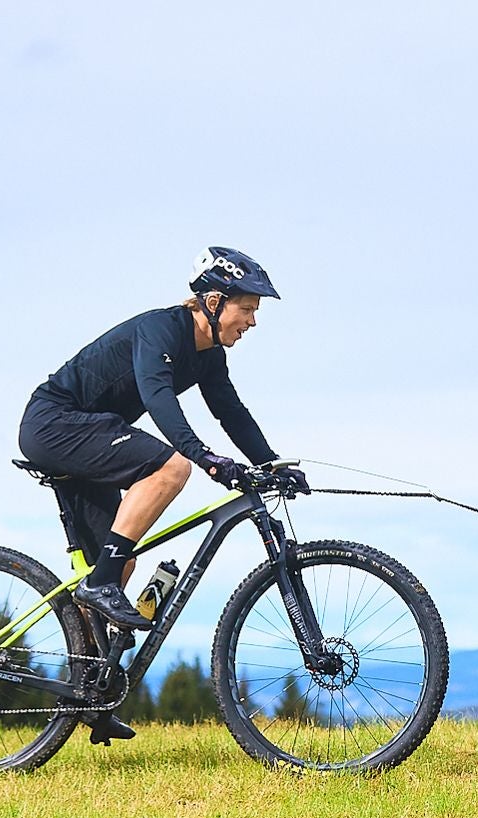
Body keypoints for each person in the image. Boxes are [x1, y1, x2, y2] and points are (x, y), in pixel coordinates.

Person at [18, 246, 310, 632]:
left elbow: (231, 413)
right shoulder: (160, 331)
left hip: (89, 434)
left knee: (120, 562)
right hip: (55, 423)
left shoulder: (209, 355)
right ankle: (100, 582)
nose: (253, 321)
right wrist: (204, 457)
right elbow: (158, 397)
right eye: (248, 309)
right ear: (214, 302)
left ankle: (83, 677)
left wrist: (270, 464)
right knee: (172, 468)